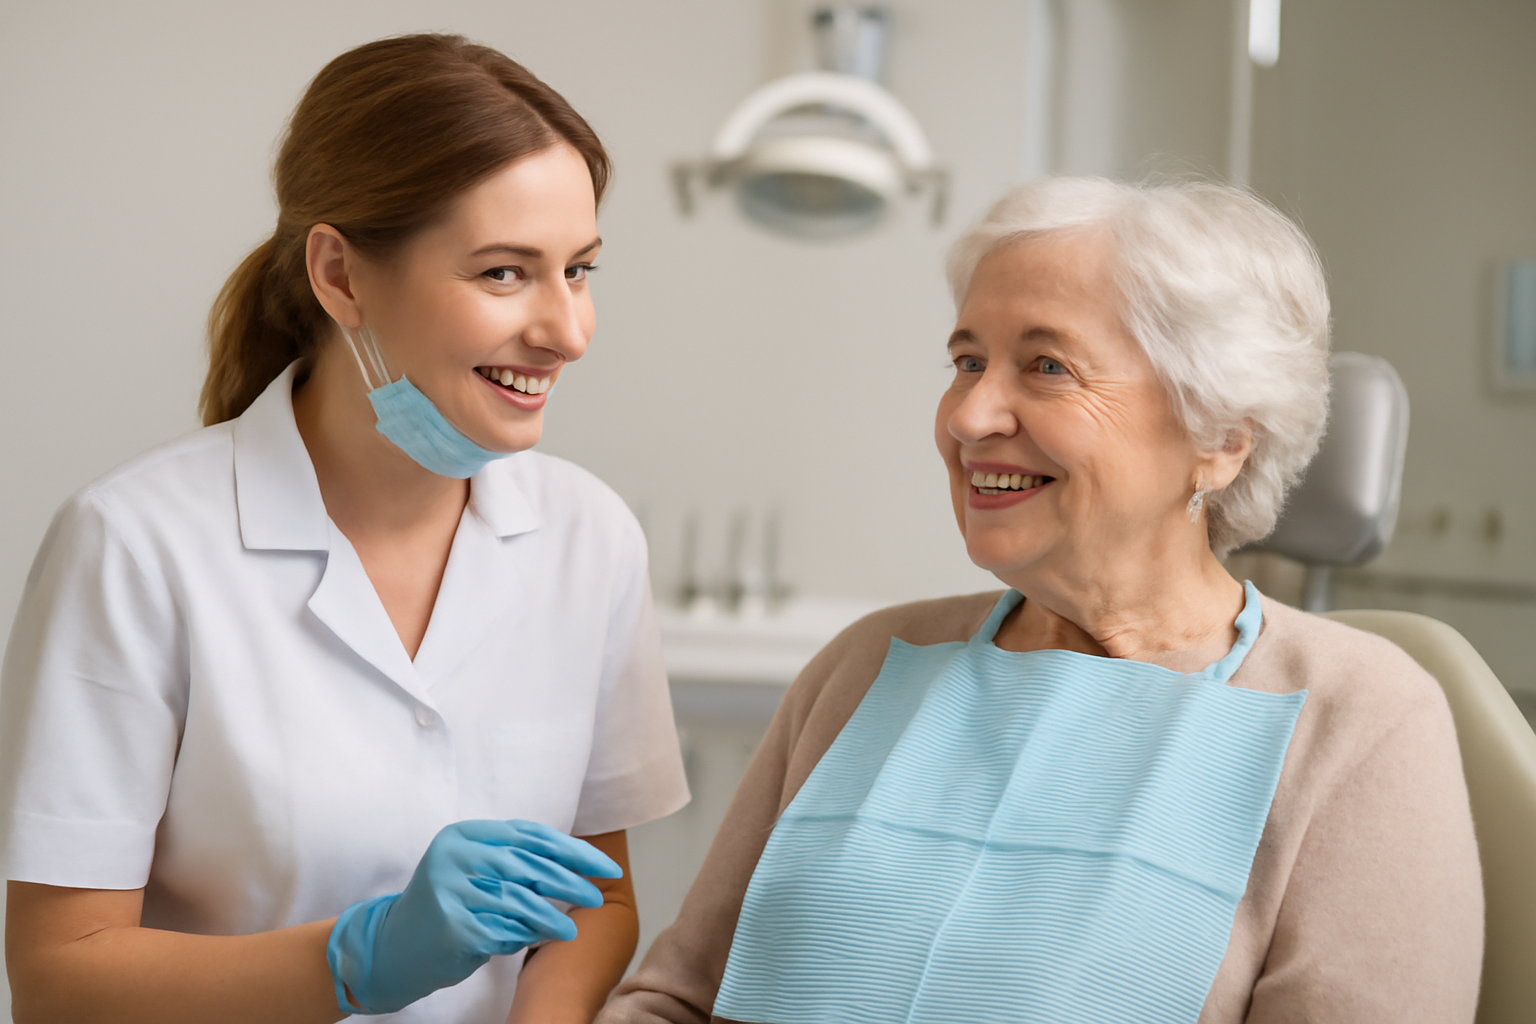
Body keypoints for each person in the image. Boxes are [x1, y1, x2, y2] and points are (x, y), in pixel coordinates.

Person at [597, 178, 1483, 1024]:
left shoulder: (1358, 720)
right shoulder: (868, 664)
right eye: (967, 360)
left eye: (1047, 366)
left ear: (1218, 437)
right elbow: (676, 1000)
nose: (970, 416)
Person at [0, 34, 688, 1024]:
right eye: (504, 273)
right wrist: (352, 960)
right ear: (341, 275)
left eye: (577, 269)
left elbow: (600, 897)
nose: (566, 330)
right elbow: (60, 979)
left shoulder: (591, 537)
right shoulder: (135, 545)